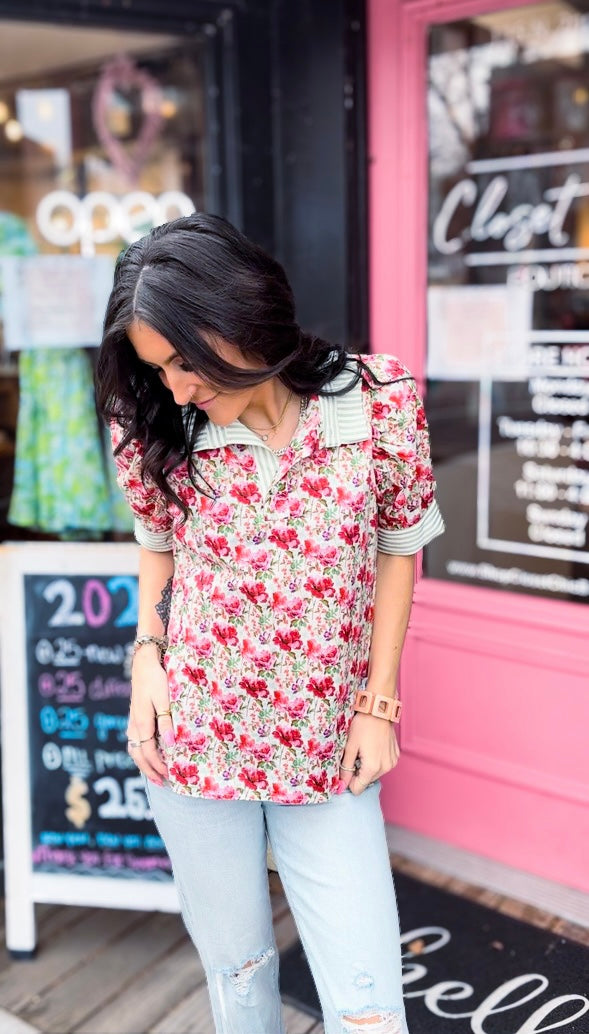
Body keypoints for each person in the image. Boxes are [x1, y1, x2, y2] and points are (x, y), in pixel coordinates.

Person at [96, 212, 444, 1034]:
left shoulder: (378, 402)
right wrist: (147, 656)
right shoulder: (159, 423)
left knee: (369, 1009)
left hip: (326, 747)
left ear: (242, 315)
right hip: (193, 737)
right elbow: (158, 547)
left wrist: (378, 702)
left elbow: (399, 548)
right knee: (241, 980)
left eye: (186, 361)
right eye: (159, 368)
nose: (177, 385)